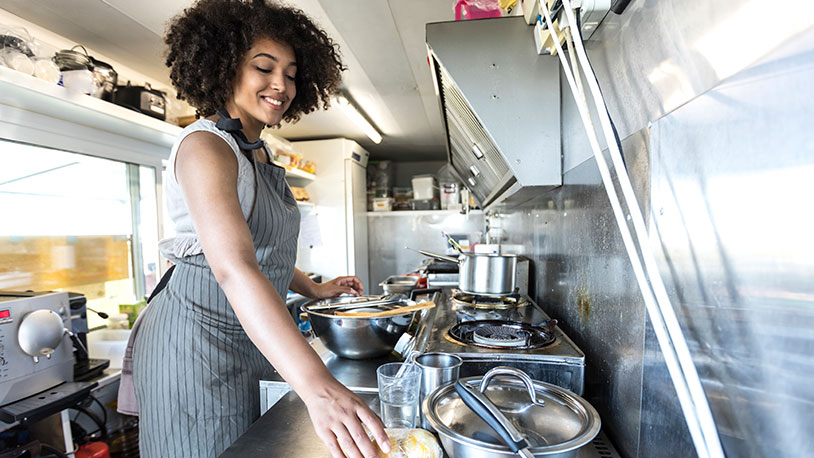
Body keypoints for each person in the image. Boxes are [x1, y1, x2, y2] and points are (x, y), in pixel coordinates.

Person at [116, 1, 391, 457]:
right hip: (195, 341)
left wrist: (314, 288)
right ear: (224, 68)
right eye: (264, 67)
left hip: (247, 333)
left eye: (291, 72)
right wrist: (319, 387)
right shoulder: (206, 146)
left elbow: (262, 251)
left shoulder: (258, 152)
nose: (280, 85)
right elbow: (235, 268)